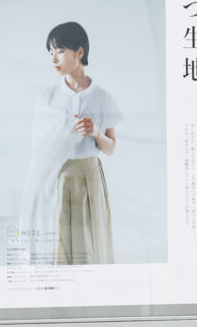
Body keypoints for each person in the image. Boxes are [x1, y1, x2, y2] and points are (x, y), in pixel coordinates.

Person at [16, 21, 123, 266]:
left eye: (60, 51)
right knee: (59, 240)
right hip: (58, 176)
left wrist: (96, 132)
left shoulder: (103, 97)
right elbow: (39, 145)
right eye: (51, 53)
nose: (54, 59)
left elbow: (111, 148)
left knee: (91, 241)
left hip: (89, 176)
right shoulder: (48, 97)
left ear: (80, 52)